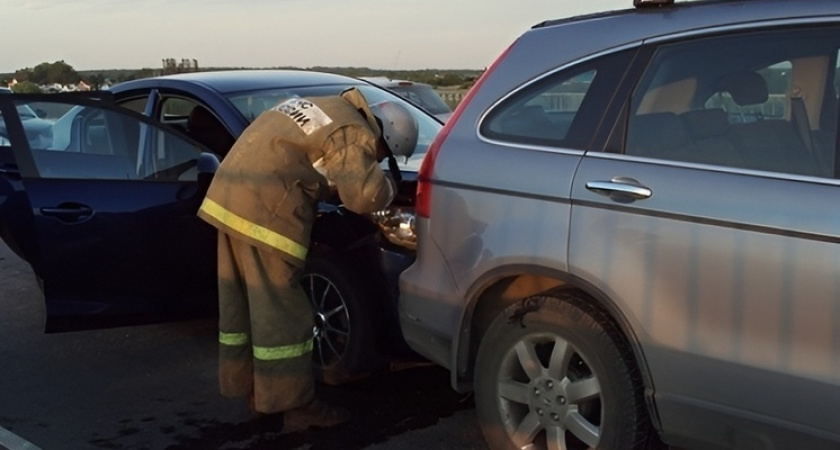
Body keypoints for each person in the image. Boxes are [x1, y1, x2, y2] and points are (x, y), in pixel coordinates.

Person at [196, 87, 419, 431]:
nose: (374, 156)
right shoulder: (354, 132)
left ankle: (256, 394)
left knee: (245, 306)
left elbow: (308, 162)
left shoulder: (325, 107)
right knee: (285, 314)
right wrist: (387, 185)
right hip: (264, 212)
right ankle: (298, 407)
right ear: (385, 137)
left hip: (229, 199)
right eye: (381, 154)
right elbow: (363, 196)